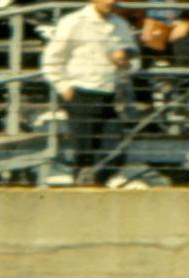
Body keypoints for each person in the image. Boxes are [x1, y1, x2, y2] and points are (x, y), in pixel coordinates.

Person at [41, 0, 140, 186]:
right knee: (84, 152)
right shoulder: (73, 22)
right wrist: (64, 87)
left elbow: (134, 59)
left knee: (115, 150)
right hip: (81, 94)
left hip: (110, 94)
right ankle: (82, 191)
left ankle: (98, 185)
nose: (110, 1)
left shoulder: (120, 24)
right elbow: (51, 59)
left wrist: (125, 63)